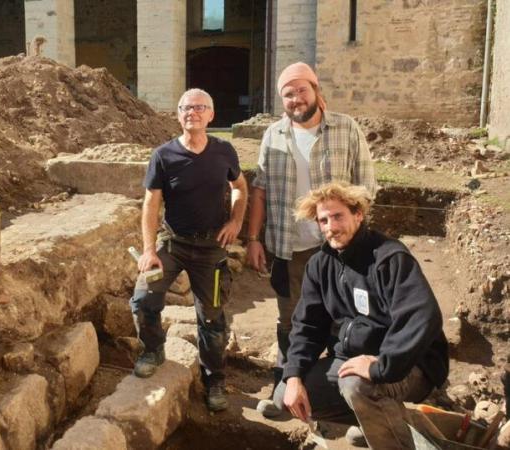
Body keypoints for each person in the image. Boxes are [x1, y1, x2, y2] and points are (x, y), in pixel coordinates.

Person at [271, 182, 448, 448]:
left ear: (358, 214)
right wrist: (294, 374)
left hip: (409, 365)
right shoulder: (320, 265)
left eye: (338, 216)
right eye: (323, 220)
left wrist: (381, 365)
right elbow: (307, 326)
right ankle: (377, 421)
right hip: (352, 361)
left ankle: (393, 440)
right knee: (284, 394)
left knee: (356, 385)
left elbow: (422, 315)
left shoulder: (389, 258)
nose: (331, 226)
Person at [246, 62, 376, 415]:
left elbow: (366, 188)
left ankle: (345, 399)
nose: (295, 98)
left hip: (338, 249)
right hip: (292, 247)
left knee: (344, 320)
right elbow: (259, 191)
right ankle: (285, 386)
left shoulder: (346, 128)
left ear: (316, 90)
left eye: (301, 89)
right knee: (290, 319)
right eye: (287, 93)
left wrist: (357, 241)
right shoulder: (273, 135)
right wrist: (254, 239)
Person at [129, 88, 248, 412]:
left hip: (211, 247)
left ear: (211, 115)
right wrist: (149, 249)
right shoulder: (163, 155)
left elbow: (239, 188)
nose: (191, 112)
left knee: (211, 317)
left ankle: (214, 378)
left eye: (199, 107)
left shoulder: (224, 151)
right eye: (185, 108)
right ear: (178, 115)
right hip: (173, 242)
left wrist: (236, 222)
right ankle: (153, 350)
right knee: (143, 299)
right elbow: (151, 203)